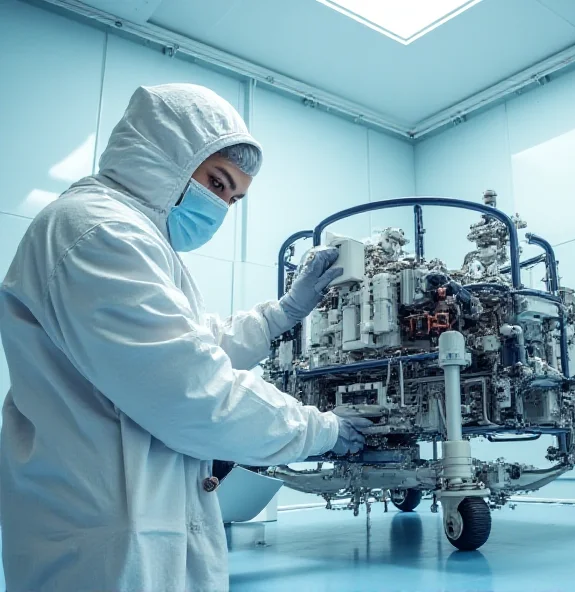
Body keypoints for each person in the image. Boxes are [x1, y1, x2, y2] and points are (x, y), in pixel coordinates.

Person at [0, 83, 370, 591]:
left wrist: (280, 315)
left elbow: (190, 343)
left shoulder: (133, 237)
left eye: (234, 198)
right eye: (217, 184)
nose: (222, 207)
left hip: (126, 515)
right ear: (161, 155)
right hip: (103, 537)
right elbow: (195, 391)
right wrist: (320, 430)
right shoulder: (97, 232)